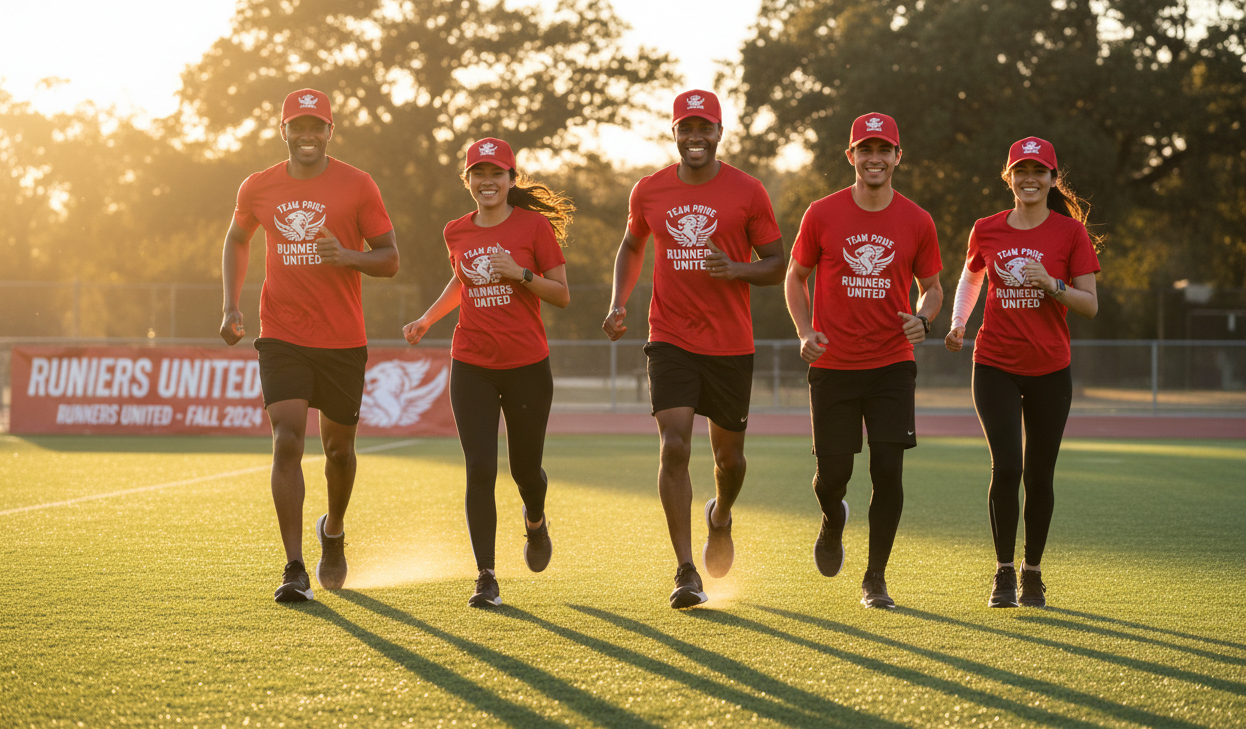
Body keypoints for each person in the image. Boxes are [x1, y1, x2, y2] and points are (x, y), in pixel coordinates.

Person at [603, 89, 784, 609]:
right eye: (687, 128)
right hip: (670, 337)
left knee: (730, 460)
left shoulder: (748, 192)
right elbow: (632, 244)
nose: (695, 137)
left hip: (730, 343)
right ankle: (685, 570)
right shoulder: (650, 190)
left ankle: (720, 515)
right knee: (675, 446)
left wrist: (737, 269)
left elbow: (776, 262)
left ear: (719, 133)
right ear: (675, 133)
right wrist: (619, 302)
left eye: (705, 128)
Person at [220, 88, 399, 602]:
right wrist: (232, 305)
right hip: (282, 333)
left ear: (329, 131)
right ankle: (294, 566)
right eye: (296, 126)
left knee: (339, 451)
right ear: (283, 132)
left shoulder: (358, 185)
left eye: (314, 126)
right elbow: (237, 238)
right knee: (288, 438)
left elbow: (389, 259)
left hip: (343, 338)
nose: (306, 135)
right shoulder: (258, 187)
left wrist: (346, 255)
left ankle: (334, 531)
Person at [403, 137, 572, 609]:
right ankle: (486, 575)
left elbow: (561, 294)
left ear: (511, 180)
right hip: (472, 363)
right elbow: (462, 280)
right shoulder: (455, 231)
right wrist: (426, 319)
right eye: (478, 173)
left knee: (524, 472)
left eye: (496, 173)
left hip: (526, 366)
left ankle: (535, 521)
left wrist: (519, 273)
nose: (487, 181)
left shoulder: (534, 228)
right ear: (468, 181)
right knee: (480, 468)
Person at [784, 112, 943, 609]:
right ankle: (833, 520)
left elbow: (933, 287)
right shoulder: (822, 213)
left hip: (892, 364)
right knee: (833, 476)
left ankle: (875, 578)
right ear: (851, 156)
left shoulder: (917, 220)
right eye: (865, 149)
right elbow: (795, 277)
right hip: (832, 365)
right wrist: (804, 331)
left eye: (884, 149)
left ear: (898, 156)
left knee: (888, 471)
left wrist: (924, 318)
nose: (875, 158)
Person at [944, 136, 1100, 609]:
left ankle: (1033, 573)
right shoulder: (986, 229)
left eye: (1040, 171)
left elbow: (1090, 305)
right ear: (1008, 177)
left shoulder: (1070, 234)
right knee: (1008, 465)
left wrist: (1052, 285)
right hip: (994, 363)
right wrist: (957, 322)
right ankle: (1004, 573)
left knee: (1040, 473)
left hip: (1051, 368)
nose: (1030, 179)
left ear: (1053, 179)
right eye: (1021, 171)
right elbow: (971, 277)